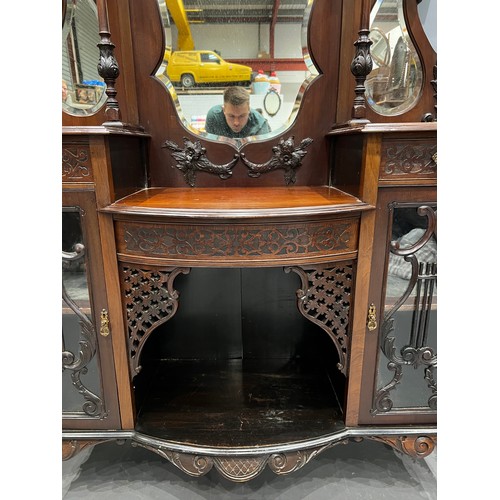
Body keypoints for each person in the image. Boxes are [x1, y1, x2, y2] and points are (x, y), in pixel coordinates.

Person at [205, 86, 271, 138]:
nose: (236, 123)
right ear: (224, 109)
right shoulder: (214, 117)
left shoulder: (260, 124)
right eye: (231, 116)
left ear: (248, 109)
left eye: (242, 116)